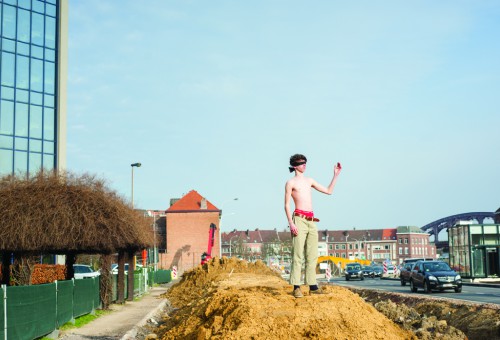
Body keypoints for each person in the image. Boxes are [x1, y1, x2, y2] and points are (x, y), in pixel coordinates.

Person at [285, 154, 341, 298]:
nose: (304, 165)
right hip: (298, 219)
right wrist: (291, 223)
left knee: (312, 255)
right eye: (301, 163)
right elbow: (286, 205)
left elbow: (329, 191)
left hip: (311, 220)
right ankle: (296, 287)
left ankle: (313, 286)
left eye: (305, 162)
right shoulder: (290, 183)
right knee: (298, 254)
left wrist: (335, 175)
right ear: (294, 166)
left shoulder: (309, 180)